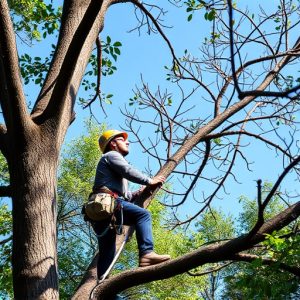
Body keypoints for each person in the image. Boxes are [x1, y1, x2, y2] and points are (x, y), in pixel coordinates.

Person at [92, 129, 171, 279]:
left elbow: (125, 195)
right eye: (123, 139)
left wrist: (137, 194)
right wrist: (149, 181)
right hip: (109, 203)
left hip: (101, 209)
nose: (127, 142)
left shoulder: (112, 167)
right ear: (113, 143)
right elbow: (128, 170)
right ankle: (147, 253)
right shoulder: (111, 155)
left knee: (107, 251)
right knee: (143, 215)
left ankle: (102, 286)